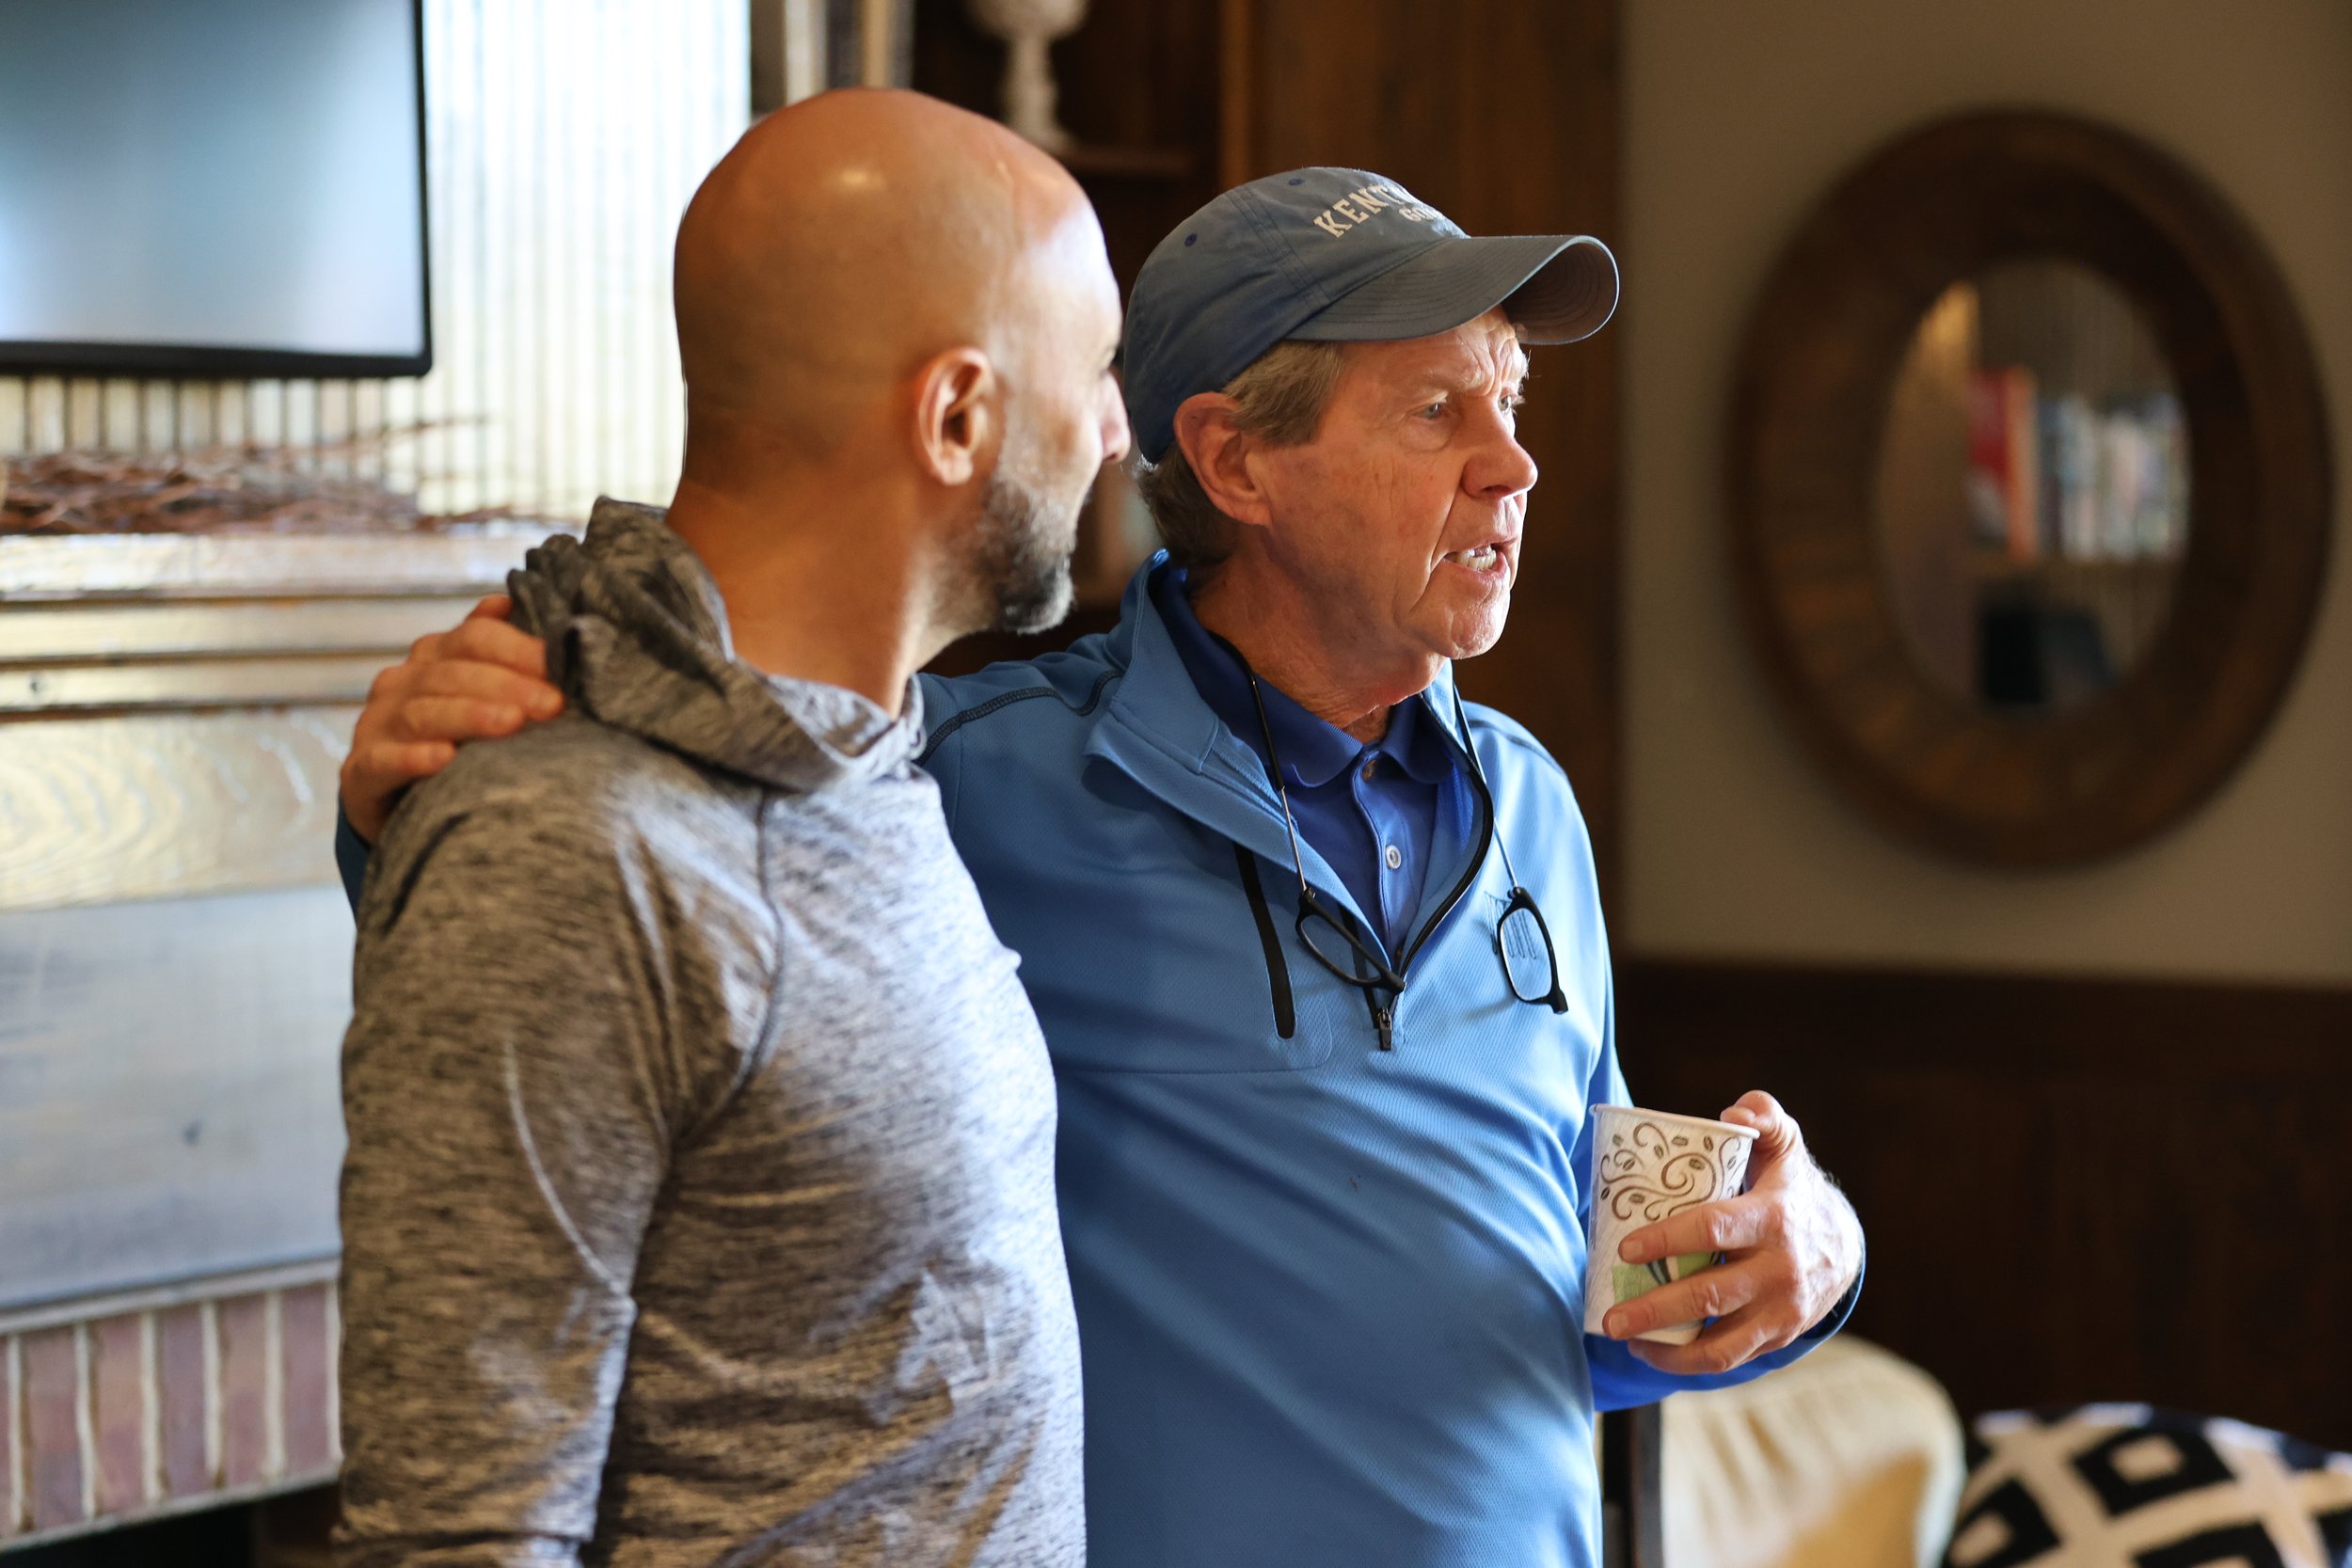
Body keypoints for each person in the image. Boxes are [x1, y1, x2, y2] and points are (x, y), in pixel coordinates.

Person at [340, 159, 1865, 1568]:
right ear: (1236, 462)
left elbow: (1574, 1289)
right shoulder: (965, 778)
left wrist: (1804, 1254)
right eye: (1435, 411)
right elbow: (621, 935)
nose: (1512, 464)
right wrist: (409, 801)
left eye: (1511, 400)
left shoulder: (1531, 803)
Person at [331, 89, 1127, 1568]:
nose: (1116, 432)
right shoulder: (566, 850)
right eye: (1097, 370)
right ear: (958, 416)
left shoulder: (862, 755)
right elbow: (461, 1532)